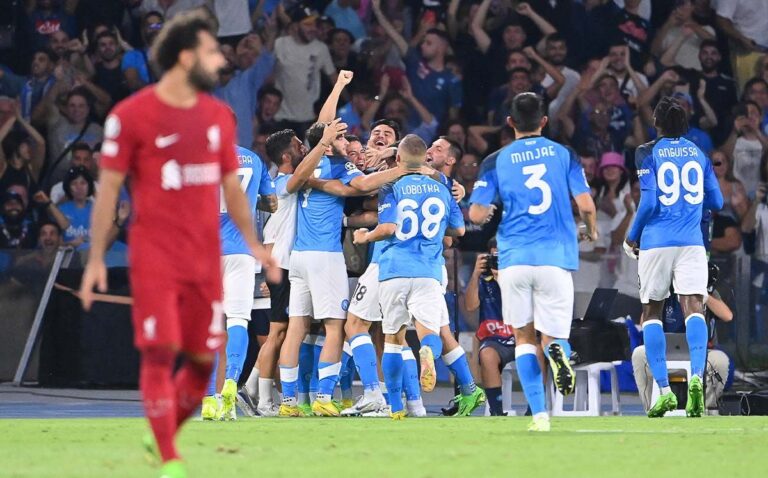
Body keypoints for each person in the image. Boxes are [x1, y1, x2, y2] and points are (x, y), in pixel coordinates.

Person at [78, 12, 276, 478]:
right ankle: (169, 456)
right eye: (211, 52)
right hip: (157, 254)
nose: (220, 61)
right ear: (186, 57)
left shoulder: (215, 118)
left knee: (204, 355)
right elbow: (108, 191)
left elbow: (233, 190)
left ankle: (167, 426)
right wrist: (96, 256)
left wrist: (256, 244)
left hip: (207, 255)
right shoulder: (130, 115)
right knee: (161, 350)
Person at [469, 92, 598, 432]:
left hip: (514, 259)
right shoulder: (564, 154)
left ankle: (539, 416)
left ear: (510, 122)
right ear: (544, 121)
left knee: (523, 338)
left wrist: (492, 207)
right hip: (555, 258)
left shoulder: (495, 160)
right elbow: (586, 205)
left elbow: (476, 214)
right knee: (553, 336)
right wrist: (590, 231)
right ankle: (559, 352)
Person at [277, 114, 407, 418]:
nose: (345, 142)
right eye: (339, 138)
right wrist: (404, 168)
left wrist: (337, 90)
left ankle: (288, 401)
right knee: (336, 327)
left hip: (299, 256)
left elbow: (321, 130)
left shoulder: (305, 165)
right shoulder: (338, 164)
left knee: (296, 328)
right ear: (327, 143)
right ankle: (324, 396)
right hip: (325, 256)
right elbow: (362, 184)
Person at [353, 134, 482, 419]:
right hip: (429, 271)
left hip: (394, 269)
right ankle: (430, 359)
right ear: (424, 159)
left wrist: (364, 237)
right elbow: (459, 231)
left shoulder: (392, 186)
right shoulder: (444, 189)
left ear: (399, 159)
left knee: (392, 339)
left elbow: (387, 227)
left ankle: (396, 407)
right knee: (433, 334)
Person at [624, 96, 724, 418]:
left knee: (651, 312)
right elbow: (718, 202)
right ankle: (696, 377)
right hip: (692, 242)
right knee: (694, 307)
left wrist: (631, 236)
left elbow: (649, 202)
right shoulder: (699, 153)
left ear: (656, 123)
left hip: (656, 242)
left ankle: (665, 391)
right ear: (685, 124)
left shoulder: (646, 152)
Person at [241, 121, 346, 417]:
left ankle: (254, 388)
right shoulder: (284, 185)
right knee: (277, 333)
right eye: (300, 145)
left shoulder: (287, 183)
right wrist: (324, 143)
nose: (305, 149)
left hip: (289, 264)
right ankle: (260, 396)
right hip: (283, 266)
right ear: (287, 156)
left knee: (286, 330)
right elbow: (272, 235)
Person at [201, 144, 277, 421]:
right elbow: (273, 203)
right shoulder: (253, 159)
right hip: (242, 252)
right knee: (238, 320)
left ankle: (209, 399)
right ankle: (231, 384)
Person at [464, 239, 516, 416]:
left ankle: (533, 411)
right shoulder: (483, 279)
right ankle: (497, 411)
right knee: (487, 355)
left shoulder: (520, 275)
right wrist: (475, 275)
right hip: (495, 340)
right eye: (495, 255)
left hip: (521, 336)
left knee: (537, 352)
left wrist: (503, 281)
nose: (498, 260)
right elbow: (470, 306)